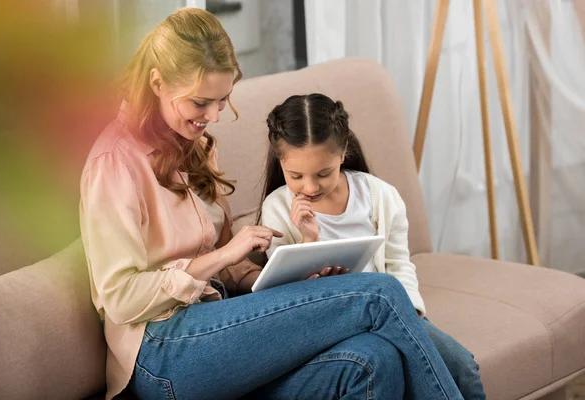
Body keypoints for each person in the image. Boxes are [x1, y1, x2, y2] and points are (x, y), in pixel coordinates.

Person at [80, 7, 464, 400]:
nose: (213, 115)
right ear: (158, 82)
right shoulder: (115, 163)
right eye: (200, 102)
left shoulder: (195, 146)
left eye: (222, 99)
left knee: (372, 359)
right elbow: (121, 299)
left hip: (220, 320)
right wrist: (224, 256)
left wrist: (275, 281)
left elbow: (228, 268)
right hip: (162, 351)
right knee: (379, 294)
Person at [259, 93, 487, 399]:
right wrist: (308, 240)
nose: (310, 187)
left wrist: (411, 315)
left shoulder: (379, 196)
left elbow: (398, 264)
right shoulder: (277, 208)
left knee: (462, 366)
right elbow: (282, 293)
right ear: (280, 161)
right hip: (330, 325)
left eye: (323, 173)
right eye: (296, 176)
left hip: (391, 314)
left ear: (343, 153)